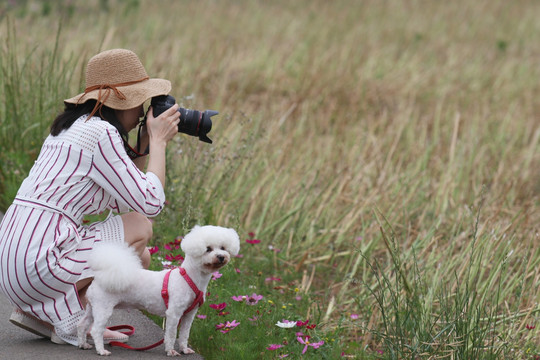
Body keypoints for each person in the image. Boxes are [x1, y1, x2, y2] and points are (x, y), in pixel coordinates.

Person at [0, 49, 181, 345]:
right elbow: (149, 204)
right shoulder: (101, 133)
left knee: (140, 258)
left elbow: (126, 197)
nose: (141, 112)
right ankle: (76, 323)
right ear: (119, 101)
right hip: (40, 262)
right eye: (139, 102)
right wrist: (160, 141)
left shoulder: (69, 128)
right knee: (140, 228)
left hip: (14, 264)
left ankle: (44, 314)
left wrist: (144, 143)